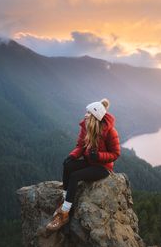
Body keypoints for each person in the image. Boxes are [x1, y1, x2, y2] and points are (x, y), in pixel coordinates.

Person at [45, 98, 121, 232]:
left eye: (89, 113)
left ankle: (64, 214)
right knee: (68, 166)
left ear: (95, 117)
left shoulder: (110, 132)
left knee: (75, 176)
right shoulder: (86, 127)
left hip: (103, 167)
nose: (85, 115)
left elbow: (115, 154)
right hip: (89, 161)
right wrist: (72, 156)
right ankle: (66, 199)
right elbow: (81, 145)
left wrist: (98, 156)